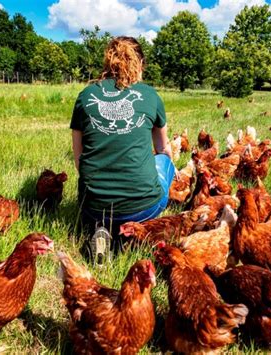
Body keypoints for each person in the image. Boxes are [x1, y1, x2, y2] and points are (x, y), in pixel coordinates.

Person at [70, 36, 175, 264]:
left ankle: (102, 228)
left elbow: (79, 161)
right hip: (143, 207)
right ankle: (136, 232)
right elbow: (163, 148)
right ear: (141, 63)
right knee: (165, 161)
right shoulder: (150, 94)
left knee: (99, 200)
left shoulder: (86, 95)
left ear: (107, 61)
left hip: (92, 206)